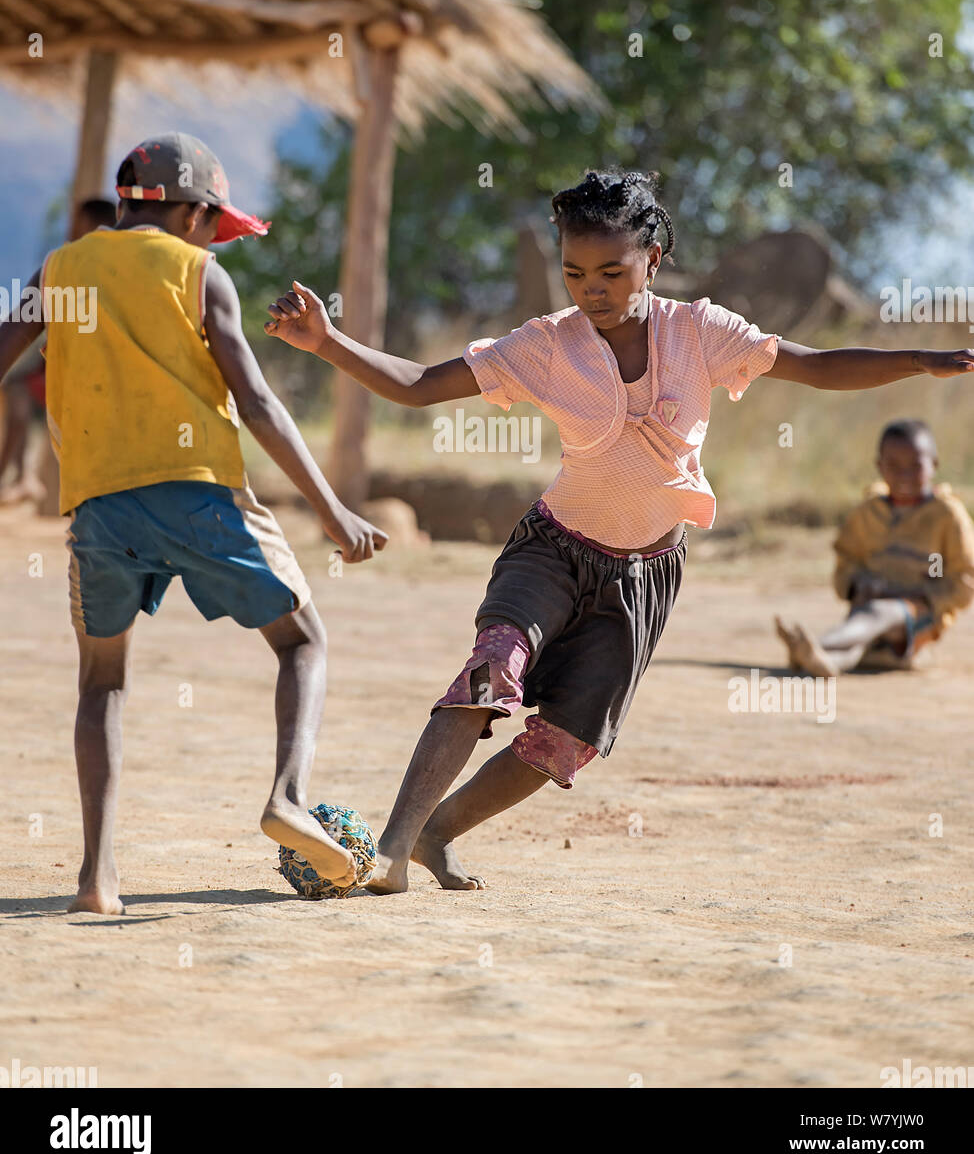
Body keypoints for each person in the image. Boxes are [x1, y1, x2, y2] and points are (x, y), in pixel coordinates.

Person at [264, 167, 974, 894]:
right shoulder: (547, 345)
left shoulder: (701, 332)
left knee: (567, 740)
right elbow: (417, 385)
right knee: (488, 673)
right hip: (552, 551)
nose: (590, 289)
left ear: (653, 262)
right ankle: (392, 847)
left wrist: (915, 359)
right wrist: (327, 344)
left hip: (644, 577)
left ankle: (439, 833)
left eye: (611, 271)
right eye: (574, 273)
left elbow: (816, 366)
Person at [0, 133, 387, 914]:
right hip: (201, 491)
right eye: (217, 224)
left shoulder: (59, 268)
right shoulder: (199, 273)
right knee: (303, 641)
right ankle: (287, 798)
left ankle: (96, 880)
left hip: (99, 505)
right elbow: (258, 404)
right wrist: (331, 508)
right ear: (198, 214)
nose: (216, 238)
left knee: (101, 681)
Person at [775, 419, 974, 674]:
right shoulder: (868, 512)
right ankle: (822, 661)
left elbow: (966, 580)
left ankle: (820, 643)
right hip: (866, 610)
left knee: (881, 613)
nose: (904, 475)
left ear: (934, 464)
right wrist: (858, 585)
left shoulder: (948, 514)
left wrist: (923, 594)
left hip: (918, 619)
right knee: (862, 634)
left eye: (915, 466)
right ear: (879, 466)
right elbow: (846, 561)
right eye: (894, 466)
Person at [0, 198, 115, 505]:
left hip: (85, 375)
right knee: (18, 387)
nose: (72, 228)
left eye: (77, 222)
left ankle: (18, 475)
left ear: (88, 224)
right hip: (96, 371)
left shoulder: (71, 264)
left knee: (16, 387)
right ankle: (21, 477)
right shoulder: (119, 264)